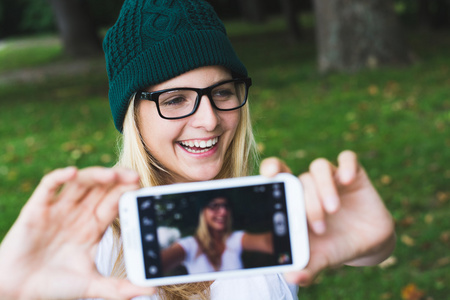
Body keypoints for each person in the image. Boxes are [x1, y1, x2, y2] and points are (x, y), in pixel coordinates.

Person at [0, 0, 396, 299]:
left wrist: (373, 242)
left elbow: (363, 246)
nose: (209, 119)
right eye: (175, 99)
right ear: (132, 116)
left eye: (222, 92)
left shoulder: (266, 215)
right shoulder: (92, 244)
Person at [160, 196, 273, 275]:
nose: (223, 211)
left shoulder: (234, 239)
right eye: (214, 206)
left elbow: (266, 242)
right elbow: (161, 262)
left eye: (225, 206)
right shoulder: (190, 245)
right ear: (202, 212)